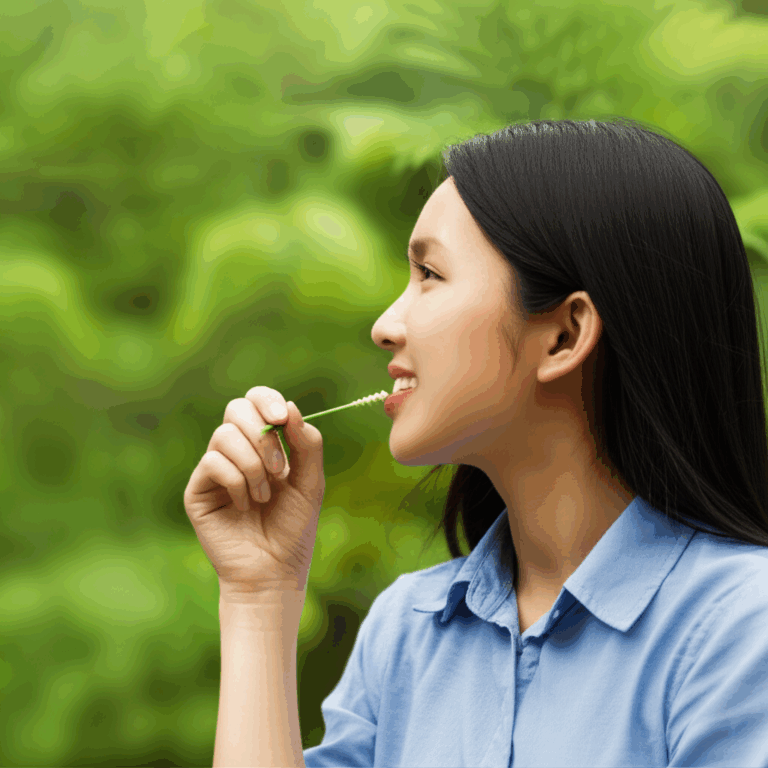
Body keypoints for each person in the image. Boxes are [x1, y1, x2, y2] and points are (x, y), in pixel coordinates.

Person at [184, 117, 768, 767]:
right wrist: (258, 595)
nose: (385, 325)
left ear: (565, 336)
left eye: (429, 274)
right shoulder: (406, 634)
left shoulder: (741, 629)